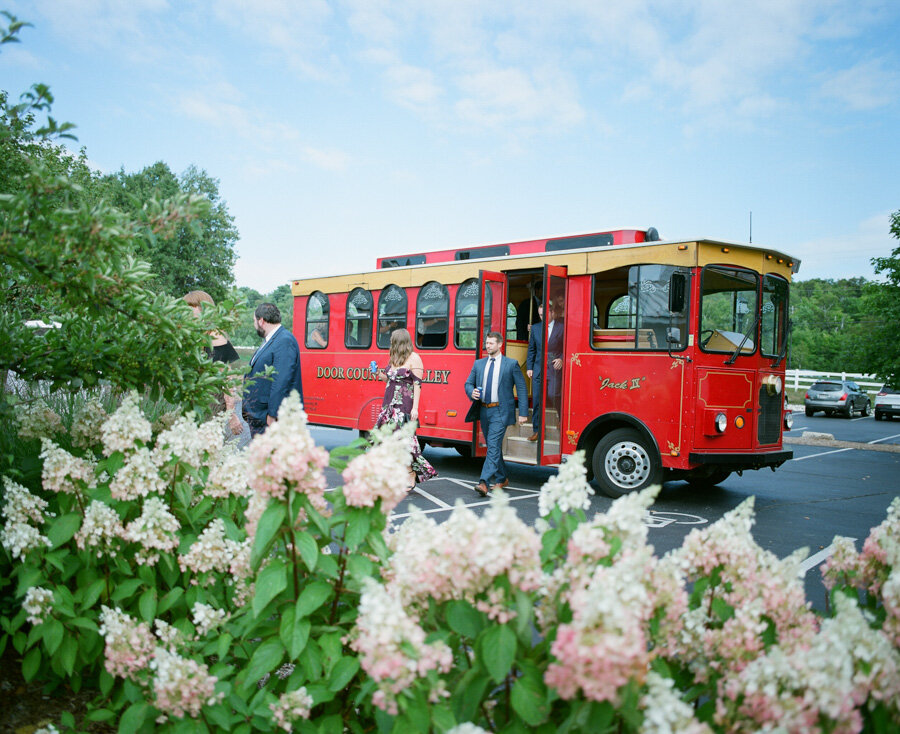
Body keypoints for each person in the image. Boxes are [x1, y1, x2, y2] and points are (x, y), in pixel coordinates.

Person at [182, 290, 251, 449]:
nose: (187, 312)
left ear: (203, 308)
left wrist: (231, 413)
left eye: (191, 307)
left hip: (211, 403)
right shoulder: (191, 334)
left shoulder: (215, 336)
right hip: (193, 400)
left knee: (207, 448)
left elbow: (226, 378)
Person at [464, 331, 528, 496]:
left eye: (491, 343)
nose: (488, 346)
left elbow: (521, 388)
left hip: (501, 411)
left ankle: (483, 482)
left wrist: (523, 412)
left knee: (492, 445)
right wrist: (472, 392)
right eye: (487, 343)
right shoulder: (479, 364)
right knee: (494, 446)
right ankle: (502, 478)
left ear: (500, 345)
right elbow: (468, 383)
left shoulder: (511, 364)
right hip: (484, 410)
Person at [374, 328, 437, 489]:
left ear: (399, 342)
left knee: (404, 441)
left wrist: (415, 408)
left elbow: (417, 384)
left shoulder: (415, 358)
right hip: (389, 403)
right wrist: (377, 374)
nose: (390, 344)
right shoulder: (394, 357)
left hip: (404, 405)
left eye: (392, 341)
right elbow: (387, 379)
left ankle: (410, 472)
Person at [243, 302, 303, 436]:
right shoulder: (271, 340)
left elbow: (281, 380)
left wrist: (273, 414)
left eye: (254, 321)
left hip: (271, 419)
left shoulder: (284, 340)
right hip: (260, 417)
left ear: (261, 321)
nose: (254, 325)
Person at [525, 303, 543, 442]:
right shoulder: (536, 328)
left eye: (544, 314)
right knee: (536, 399)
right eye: (540, 315)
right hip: (537, 369)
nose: (542, 317)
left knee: (555, 396)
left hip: (555, 370)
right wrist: (529, 367)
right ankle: (536, 430)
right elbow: (532, 349)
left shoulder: (560, 327)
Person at [546, 295, 565, 414]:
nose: (560, 304)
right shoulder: (539, 327)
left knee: (553, 393)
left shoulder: (561, 326)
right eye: (557, 302)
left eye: (561, 300)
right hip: (542, 363)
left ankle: (560, 414)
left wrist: (561, 359)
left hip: (555, 361)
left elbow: (567, 345)